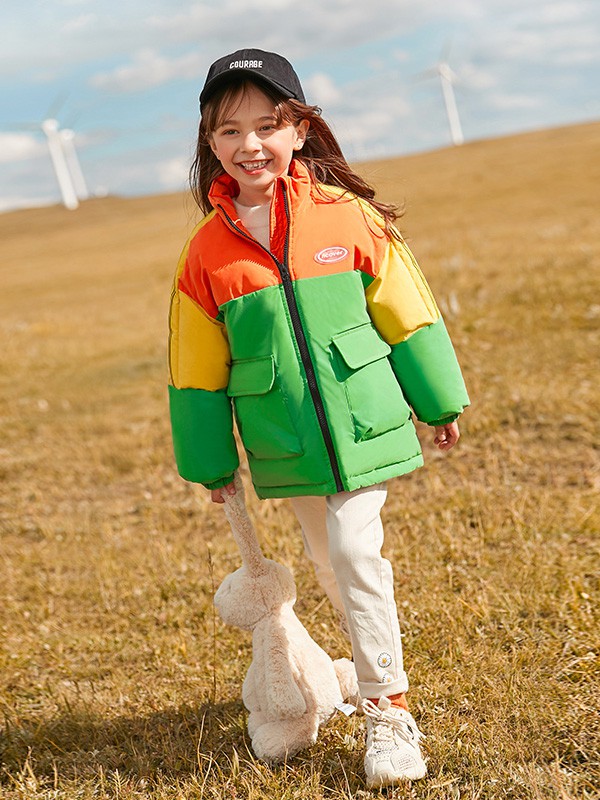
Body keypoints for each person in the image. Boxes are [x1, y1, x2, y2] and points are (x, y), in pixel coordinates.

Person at [168, 48, 469, 788]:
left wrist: (437, 399)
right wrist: (210, 459)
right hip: (286, 443)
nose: (250, 144)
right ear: (211, 143)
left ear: (300, 130)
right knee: (332, 564)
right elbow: (195, 369)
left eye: (268, 125)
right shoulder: (205, 256)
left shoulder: (350, 218)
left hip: (365, 427)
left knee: (356, 553)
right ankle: (361, 669)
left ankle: (388, 712)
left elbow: (408, 312)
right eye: (230, 130)